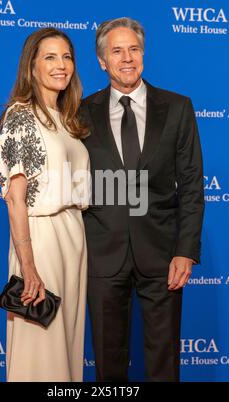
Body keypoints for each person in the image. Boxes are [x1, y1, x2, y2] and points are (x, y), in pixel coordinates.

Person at [81, 17, 204, 382]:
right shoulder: (80, 112)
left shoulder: (178, 107)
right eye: (116, 51)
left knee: (164, 360)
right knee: (108, 363)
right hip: (103, 252)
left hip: (163, 252)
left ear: (143, 54)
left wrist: (186, 250)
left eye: (134, 49)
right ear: (102, 61)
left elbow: (193, 185)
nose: (127, 58)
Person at [0, 28, 90, 382]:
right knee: (41, 348)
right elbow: (16, 199)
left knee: (65, 346)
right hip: (42, 238)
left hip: (72, 236)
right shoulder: (22, 115)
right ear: (31, 66)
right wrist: (28, 265)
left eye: (66, 57)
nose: (61, 65)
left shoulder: (68, 119)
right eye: (50, 57)